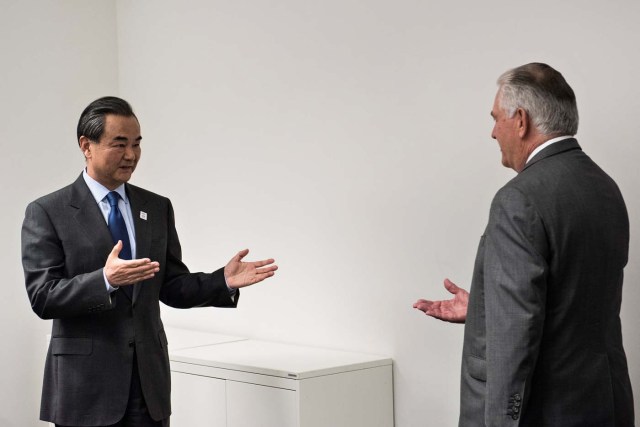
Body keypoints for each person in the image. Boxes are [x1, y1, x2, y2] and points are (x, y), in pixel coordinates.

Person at [21, 96, 278, 427]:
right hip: (85, 389)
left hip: (148, 387)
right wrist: (105, 280)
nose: (131, 155)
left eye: (137, 144)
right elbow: (43, 297)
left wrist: (222, 282)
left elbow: (171, 285)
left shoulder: (156, 207)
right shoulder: (47, 212)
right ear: (86, 145)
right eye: (120, 144)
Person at [413, 63, 635, 426]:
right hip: (604, 407)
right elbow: (573, 300)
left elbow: (516, 339)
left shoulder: (518, 200)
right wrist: (488, 308)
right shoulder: (604, 187)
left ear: (521, 120)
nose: (492, 132)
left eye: (496, 117)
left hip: (543, 414)